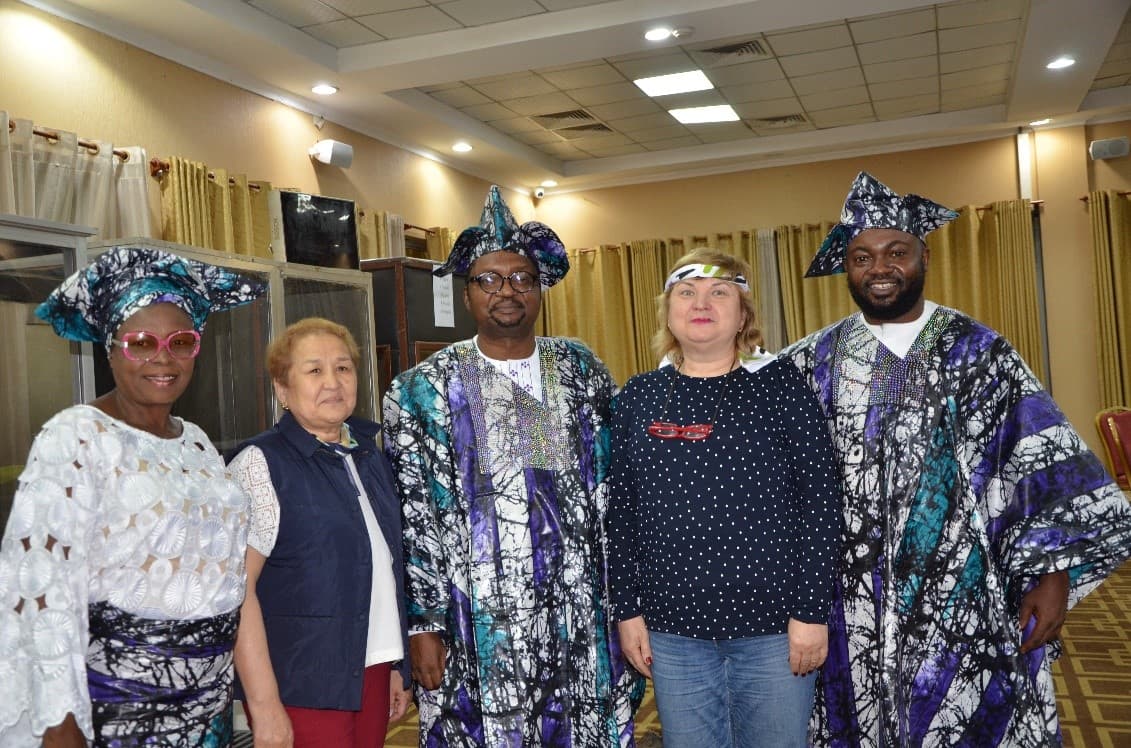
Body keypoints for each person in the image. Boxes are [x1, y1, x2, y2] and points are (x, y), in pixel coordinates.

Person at [782, 171, 1131, 747]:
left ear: (924, 254)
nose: (880, 267)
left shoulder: (979, 352)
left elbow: (1041, 461)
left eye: (897, 251)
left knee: (965, 720)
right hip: (846, 600)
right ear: (846, 268)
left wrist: (1053, 574)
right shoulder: (810, 363)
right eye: (862, 256)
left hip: (964, 592)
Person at [381, 185, 643, 747]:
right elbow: (414, 517)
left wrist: (628, 604)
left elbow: (616, 494)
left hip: (580, 611)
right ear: (468, 290)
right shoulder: (421, 391)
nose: (507, 291)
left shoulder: (580, 371)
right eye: (489, 279)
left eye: (522, 278)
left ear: (540, 287)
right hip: (478, 620)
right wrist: (424, 625)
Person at [0, 247, 263, 746]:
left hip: (209, 710)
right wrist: (62, 730)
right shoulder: (76, 437)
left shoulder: (198, 442)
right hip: (122, 711)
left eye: (180, 341)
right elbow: (41, 599)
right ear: (110, 347)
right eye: (141, 343)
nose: (162, 359)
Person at [604, 248, 842, 748]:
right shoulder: (638, 397)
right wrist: (627, 611)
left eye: (719, 293)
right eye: (686, 293)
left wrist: (811, 612)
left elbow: (820, 503)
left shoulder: (781, 387)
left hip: (775, 630)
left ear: (743, 313)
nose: (701, 303)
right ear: (669, 311)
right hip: (674, 633)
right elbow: (621, 513)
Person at [227, 317, 411, 747]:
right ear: (282, 389)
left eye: (343, 368)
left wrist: (396, 663)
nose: (333, 381)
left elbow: (387, 566)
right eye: (314, 370)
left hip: (371, 670)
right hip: (302, 682)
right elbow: (236, 591)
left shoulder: (367, 454)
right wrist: (265, 704)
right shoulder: (259, 464)